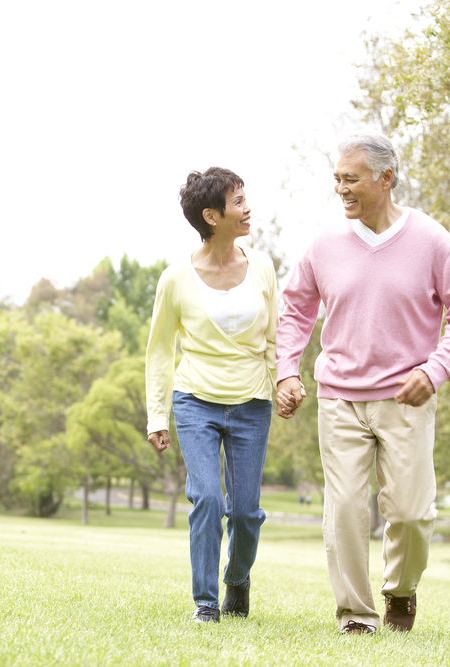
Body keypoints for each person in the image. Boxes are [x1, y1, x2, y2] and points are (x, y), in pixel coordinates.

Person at [275, 129, 450, 635]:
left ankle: (401, 592)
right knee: (344, 509)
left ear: (386, 178)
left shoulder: (430, 239)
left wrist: (434, 371)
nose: (342, 189)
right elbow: (296, 310)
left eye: (352, 179)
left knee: (410, 513)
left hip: (405, 399)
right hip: (340, 397)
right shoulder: (324, 244)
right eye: (337, 180)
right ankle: (356, 616)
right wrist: (286, 370)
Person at [146, 167, 278, 623]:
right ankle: (205, 602)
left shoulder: (261, 266)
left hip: (252, 402)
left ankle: (237, 580)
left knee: (244, 511)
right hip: (195, 400)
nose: (247, 208)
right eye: (238, 201)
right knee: (206, 498)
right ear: (211, 215)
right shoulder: (176, 279)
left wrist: (283, 381)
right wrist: (156, 416)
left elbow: (276, 337)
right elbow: (160, 351)